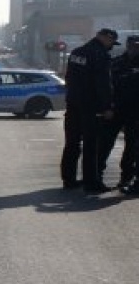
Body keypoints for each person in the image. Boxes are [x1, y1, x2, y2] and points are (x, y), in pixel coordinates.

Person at [59, 27, 119, 193]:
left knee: (72, 143)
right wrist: (107, 106)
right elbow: (103, 84)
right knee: (91, 145)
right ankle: (91, 183)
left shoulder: (77, 52)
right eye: (112, 42)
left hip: (73, 104)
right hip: (91, 107)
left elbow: (68, 77)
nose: (111, 46)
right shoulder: (100, 55)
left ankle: (68, 179)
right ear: (105, 38)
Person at [110, 35, 139, 193]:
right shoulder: (117, 62)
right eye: (133, 45)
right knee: (106, 143)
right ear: (128, 45)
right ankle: (125, 177)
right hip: (118, 110)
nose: (135, 48)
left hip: (136, 112)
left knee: (133, 147)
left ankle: (132, 179)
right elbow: (109, 84)